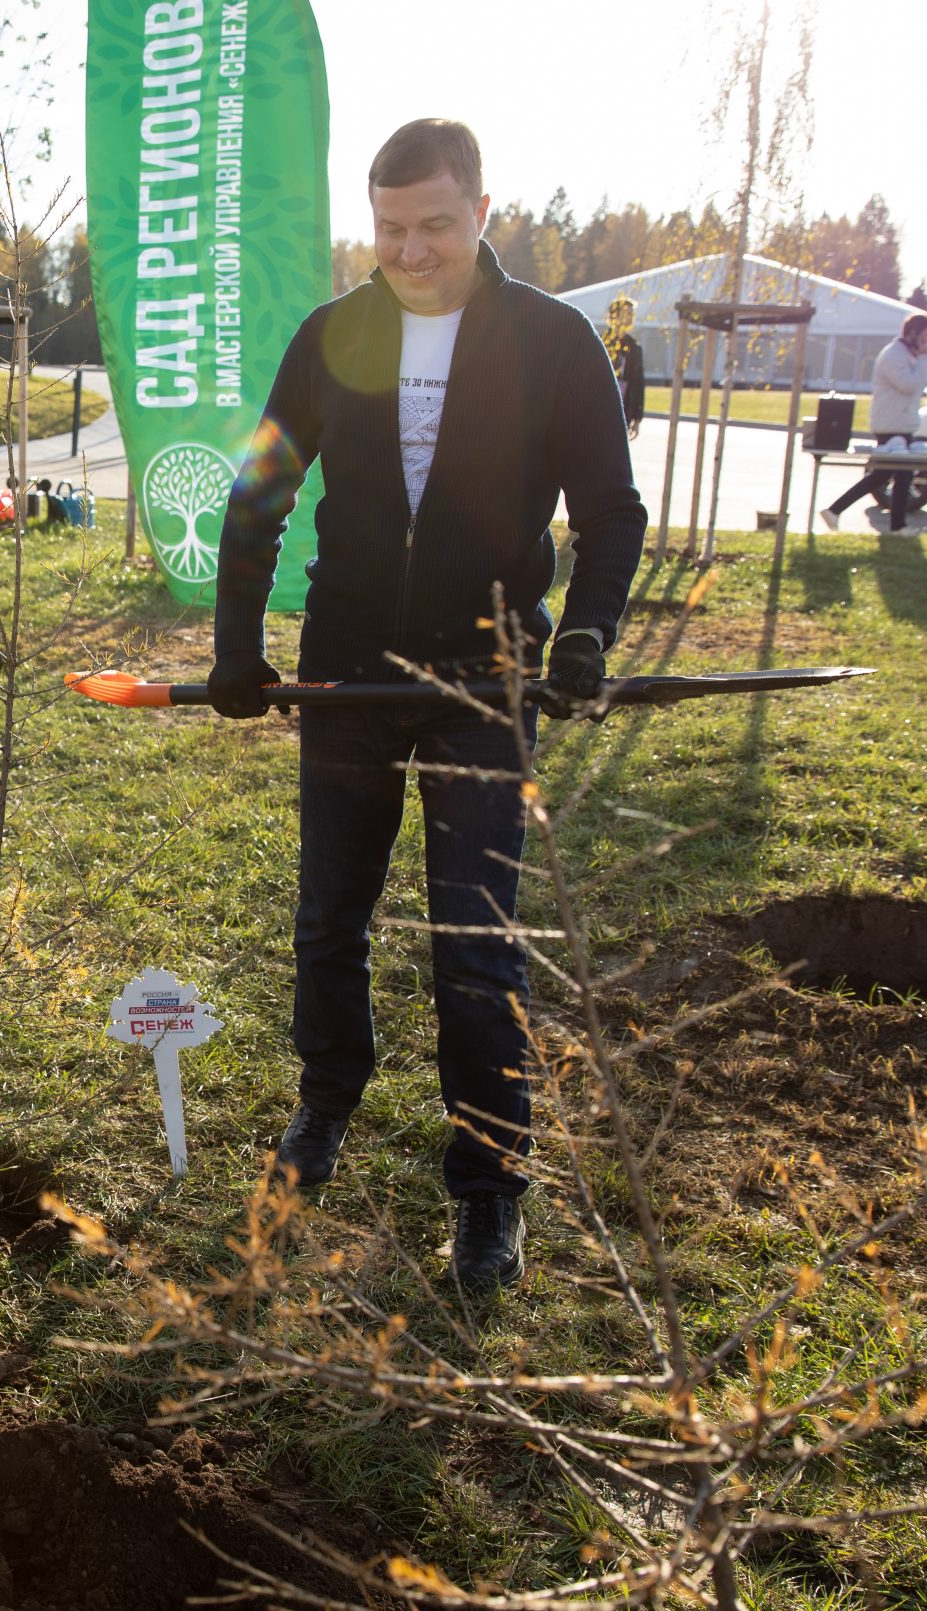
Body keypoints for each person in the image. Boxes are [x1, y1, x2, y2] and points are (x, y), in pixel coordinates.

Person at [209, 119, 646, 1294]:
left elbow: (611, 513)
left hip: (484, 684)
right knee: (328, 922)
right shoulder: (332, 336)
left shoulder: (552, 343)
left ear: (482, 213)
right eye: (389, 226)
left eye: (434, 226)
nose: (409, 251)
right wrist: (238, 647)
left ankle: (490, 1184)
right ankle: (322, 1110)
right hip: (348, 672)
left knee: (473, 945)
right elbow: (257, 496)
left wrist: (588, 634)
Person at [821, 311, 927, 532]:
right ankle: (895, 526)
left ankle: (836, 511)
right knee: (899, 474)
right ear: (913, 334)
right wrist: (925, 359)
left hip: (900, 423)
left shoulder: (905, 355)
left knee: (889, 474)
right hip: (892, 425)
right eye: (926, 334)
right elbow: (910, 385)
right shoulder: (895, 355)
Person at [604, 295, 647, 438]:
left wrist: (637, 417)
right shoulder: (600, 342)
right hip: (601, 407)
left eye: (631, 314)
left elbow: (638, 383)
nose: (630, 318)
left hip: (624, 408)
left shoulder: (634, 347)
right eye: (626, 313)